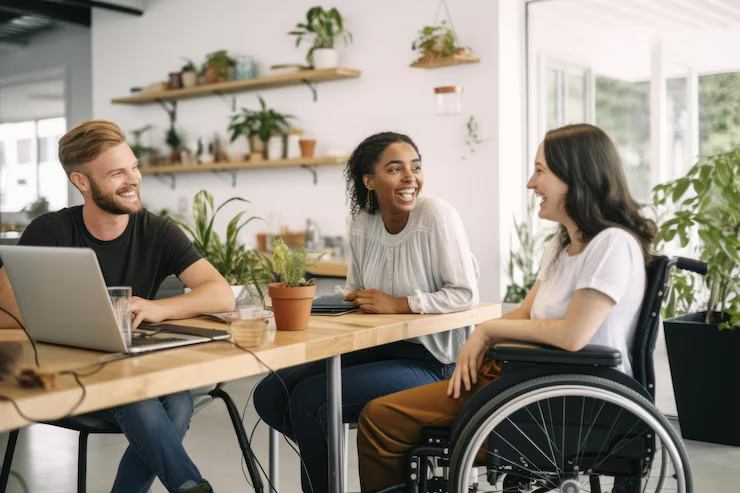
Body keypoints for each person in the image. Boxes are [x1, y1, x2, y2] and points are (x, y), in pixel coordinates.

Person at [356, 123, 657, 492]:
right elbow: (526, 312)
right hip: (524, 379)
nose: (531, 183)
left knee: (380, 419)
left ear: (575, 176)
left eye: (540, 171)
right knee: (382, 416)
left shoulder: (611, 244)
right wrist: (482, 341)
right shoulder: (564, 242)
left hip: (567, 401)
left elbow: (572, 334)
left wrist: (487, 330)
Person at [0, 120, 235, 493]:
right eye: (117, 173)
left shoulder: (157, 231)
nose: (133, 179)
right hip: (70, 376)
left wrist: (159, 309)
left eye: (134, 167)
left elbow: (220, 293)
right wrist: (76, 319)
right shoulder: (51, 231)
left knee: (169, 399)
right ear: (82, 182)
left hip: (133, 368)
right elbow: (5, 308)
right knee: (159, 401)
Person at [253, 131, 479, 492]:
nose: (410, 177)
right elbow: (357, 290)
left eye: (415, 167)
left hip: (433, 360)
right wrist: (340, 301)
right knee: (271, 393)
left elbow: (466, 294)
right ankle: (325, 462)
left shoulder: (436, 215)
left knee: (312, 401)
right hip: (375, 347)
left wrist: (399, 304)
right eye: (395, 169)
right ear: (369, 181)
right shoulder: (362, 222)